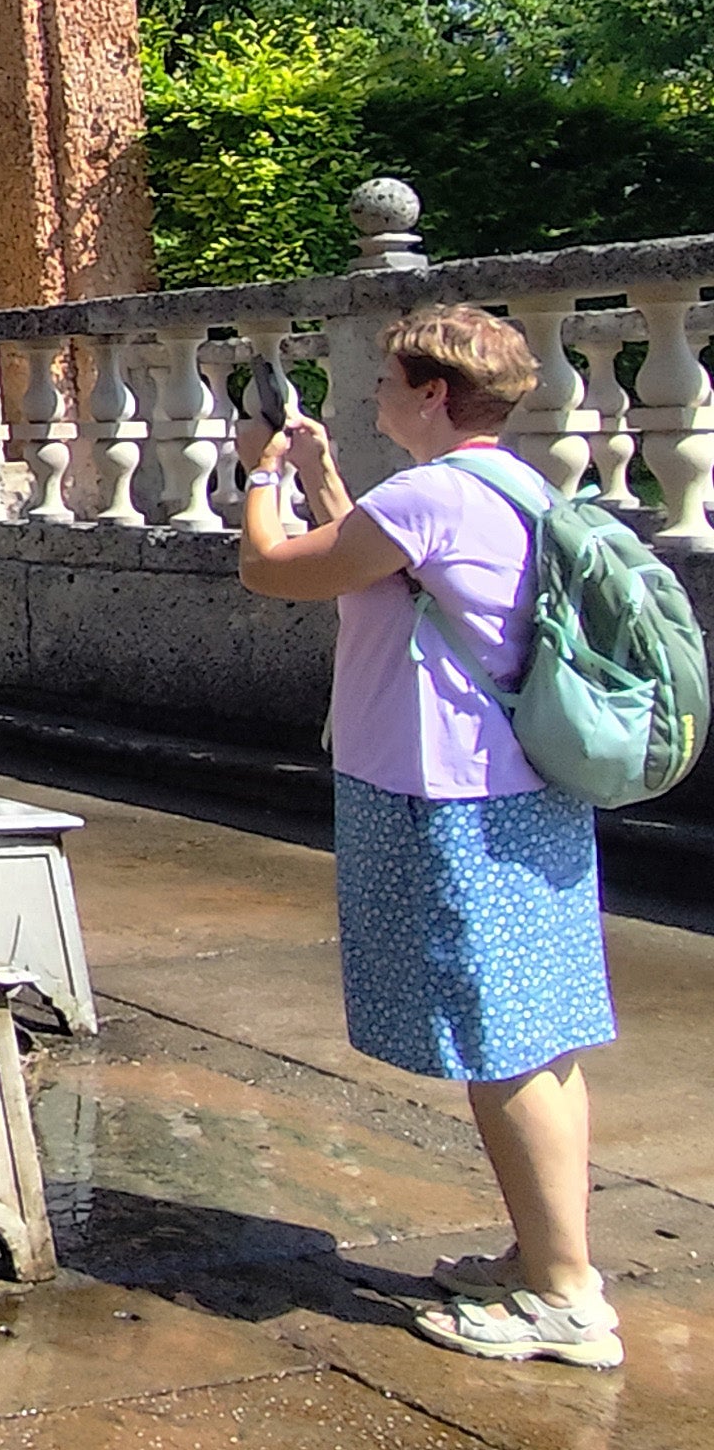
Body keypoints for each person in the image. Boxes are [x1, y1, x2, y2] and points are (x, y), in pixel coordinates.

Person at [236, 307, 622, 1369]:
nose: (371, 395)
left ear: (432, 397)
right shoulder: (510, 487)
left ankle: (564, 1297)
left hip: (446, 794)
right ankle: (549, 1254)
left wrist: (259, 474)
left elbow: (276, 569)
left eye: (386, 381)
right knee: (536, 1037)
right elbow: (386, 564)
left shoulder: (430, 495)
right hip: (524, 785)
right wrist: (323, 479)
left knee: (503, 1046)